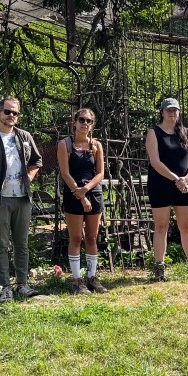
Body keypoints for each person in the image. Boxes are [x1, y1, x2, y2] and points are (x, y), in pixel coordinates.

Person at [0, 96, 42, 302]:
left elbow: (37, 160)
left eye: (15, 113)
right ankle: (5, 287)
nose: (11, 116)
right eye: (7, 112)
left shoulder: (24, 136)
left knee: (22, 243)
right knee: (1, 244)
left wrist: (29, 178)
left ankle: (22, 284)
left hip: (22, 198)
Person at [146, 98, 188, 282]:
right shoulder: (154, 133)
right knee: (161, 227)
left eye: (175, 110)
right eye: (169, 110)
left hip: (184, 185)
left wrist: (185, 179)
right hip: (161, 184)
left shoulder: (187, 133)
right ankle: (159, 268)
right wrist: (175, 178)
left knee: (186, 227)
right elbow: (155, 162)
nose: (172, 113)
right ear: (162, 112)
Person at [58, 108, 108, 294]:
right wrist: (79, 193)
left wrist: (86, 191)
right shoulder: (65, 144)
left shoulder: (96, 146)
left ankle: (92, 278)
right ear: (74, 121)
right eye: (81, 119)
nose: (84, 123)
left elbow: (100, 173)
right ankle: (77, 280)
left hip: (93, 193)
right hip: (73, 193)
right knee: (76, 237)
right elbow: (65, 172)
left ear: (92, 125)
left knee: (92, 237)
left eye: (88, 121)